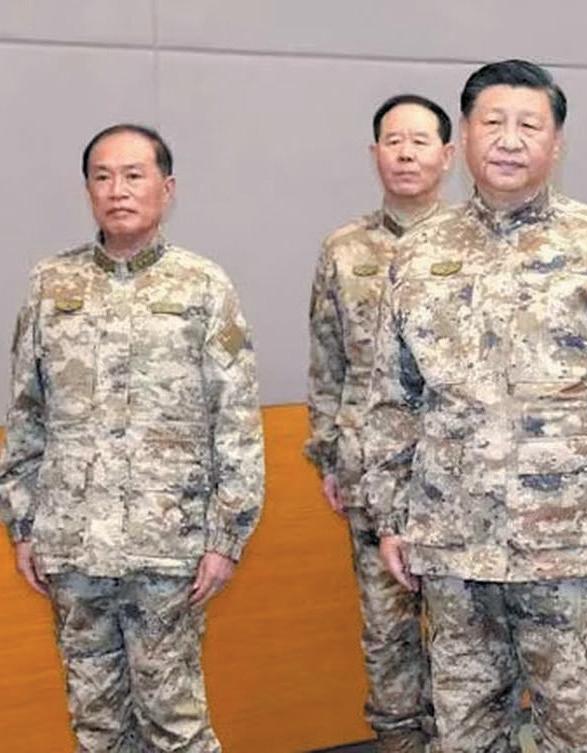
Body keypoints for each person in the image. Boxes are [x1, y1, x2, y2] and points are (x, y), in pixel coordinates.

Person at [363, 59, 587, 753]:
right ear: (465, 135)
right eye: (493, 122)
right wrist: (389, 517)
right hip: (454, 541)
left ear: (556, 142)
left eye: (528, 125)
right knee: (464, 730)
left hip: (574, 543)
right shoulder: (418, 254)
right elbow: (393, 396)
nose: (509, 140)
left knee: (574, 730)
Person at [0, 124, 264, 752]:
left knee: (175, 725)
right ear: (88, 190)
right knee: (96, 726)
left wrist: (226, 537)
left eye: (133, 175)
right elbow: (27, 413)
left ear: (166, 189)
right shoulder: (51, 285)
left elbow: (236, 422)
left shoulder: (202, 286)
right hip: (73, 545)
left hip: (168, 548)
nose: (117, 190)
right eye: (103, 177)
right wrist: (22, 525)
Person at [305, 93, 455, 753]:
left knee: (465, 640)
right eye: (393, 141)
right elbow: (326, 361)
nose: (406, 154)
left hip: (459, 475)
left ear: (447, 155)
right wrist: (329, 455)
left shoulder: (473, 243)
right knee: (388, 638)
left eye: (420, 141)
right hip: (371, 474)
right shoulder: (343, 249)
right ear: (374, 154)